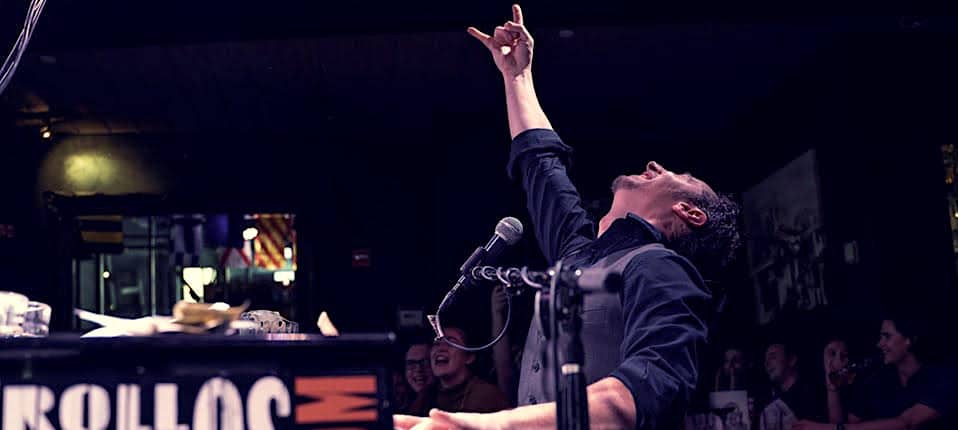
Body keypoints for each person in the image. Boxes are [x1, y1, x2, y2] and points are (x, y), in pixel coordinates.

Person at [395, 4, 741, 429]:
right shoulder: (578, 255)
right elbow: (541, 166)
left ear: (688, 211)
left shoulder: (663, 269)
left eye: (677, 175)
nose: (655, 166)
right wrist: (517, 77)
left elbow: (644, 392)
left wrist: (497, 425)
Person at [793, 316, 958, 430]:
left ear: (909, 340)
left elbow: (906, 424)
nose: (880, 344)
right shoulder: (878, 381)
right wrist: (832, 387)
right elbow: (845, 424)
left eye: (887, 337)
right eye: (880, 337)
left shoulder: (943, 378)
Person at [408, 326, 511, 415]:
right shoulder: (425, 396)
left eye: (451, 342)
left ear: (469, 357)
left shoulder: (488, 397)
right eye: (437, 343)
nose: (441, 348)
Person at [758, 342, 821, 430]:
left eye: (773, 357)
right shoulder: (770, 399)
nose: (767, 363)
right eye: (765, 360)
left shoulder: (812, 394)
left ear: (791, 360)